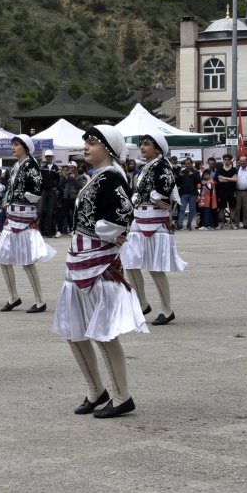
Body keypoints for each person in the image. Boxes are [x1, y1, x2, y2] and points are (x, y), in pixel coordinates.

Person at [55, 125, 149, 418]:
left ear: (108, 148)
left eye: (93, 142)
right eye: (86, 142)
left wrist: (106, 233)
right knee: (75, 330)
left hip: (98, 263)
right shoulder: (98, 177)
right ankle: (96, 391)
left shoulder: (112, 178)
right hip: (80, 259)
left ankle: (122, 396)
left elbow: (123, 214)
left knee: (104, 332)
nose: (86, 146)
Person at [119, 131, 187, 326]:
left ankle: (167, 309)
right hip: (140, 218)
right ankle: (142, 303)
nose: (142, 147)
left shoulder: (161, 165)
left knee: (155, 266)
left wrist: (156, 198)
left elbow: (166, 185)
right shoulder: (146, 167)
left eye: (147, 144)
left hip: (155, 220)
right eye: (142, 144)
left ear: (157, 147)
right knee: (130, 262)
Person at [0, 133, 53, 315]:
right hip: (12, 215)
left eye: (17, 144)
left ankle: (40, 300)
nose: (13, 147)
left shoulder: (31, 164)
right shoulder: (16, 166)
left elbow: (36, 189)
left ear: (25, 147)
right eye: (12, 144)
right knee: (3, 257)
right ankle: (13, 297)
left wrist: (24, 198)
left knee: (27, 261)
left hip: (25, 216)